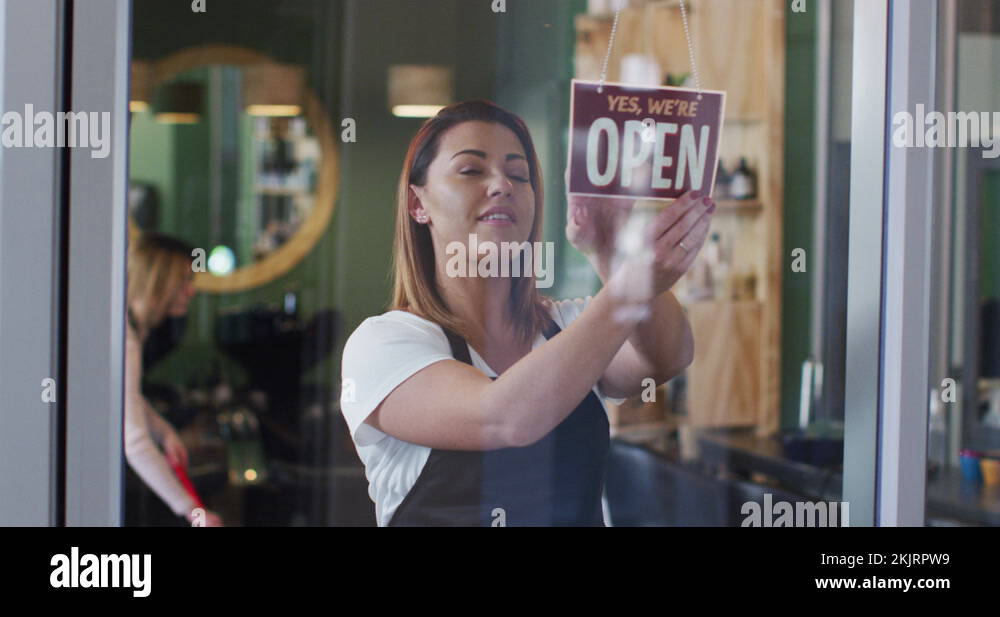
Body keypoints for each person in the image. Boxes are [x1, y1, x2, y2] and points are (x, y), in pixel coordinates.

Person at [340, 100, 715, 526]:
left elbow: (665, 358)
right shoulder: (384, 345)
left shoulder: (569, 326)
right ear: (417, 204)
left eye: (519, 174)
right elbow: (502, 419)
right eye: (471, 170)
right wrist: (630, 287)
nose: (502, 184)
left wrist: (609, 247)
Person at [125, 232, 224, 527]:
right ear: (158, 279)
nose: (190, 291)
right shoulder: (127, 338)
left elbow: (125, 398)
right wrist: (195, 513)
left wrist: (164, 431)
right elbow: (135, 442)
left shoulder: (131, 328)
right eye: (184, 280)